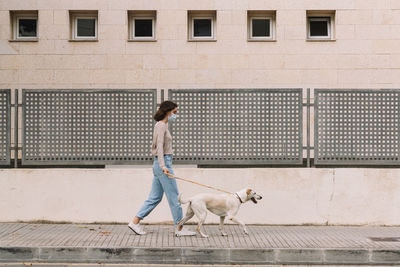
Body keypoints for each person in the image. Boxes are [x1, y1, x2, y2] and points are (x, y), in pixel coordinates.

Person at [128, 100, 196, 237]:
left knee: (154, 198)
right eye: (175, 112)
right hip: (163, 163)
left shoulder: (163, 125)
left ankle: (135, 222)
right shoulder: (161, 125)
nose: (176, 115)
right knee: (175, 199)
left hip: (161, 164)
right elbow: (159, 146)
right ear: (168, 111)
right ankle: (180, 229)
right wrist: (163, 166)